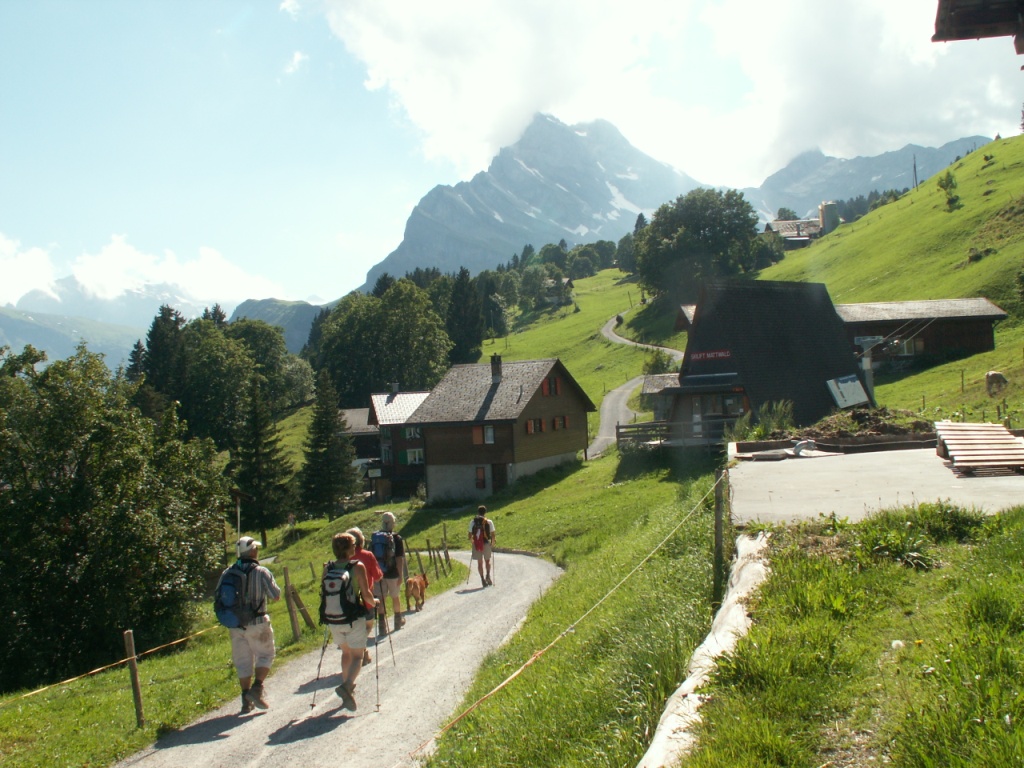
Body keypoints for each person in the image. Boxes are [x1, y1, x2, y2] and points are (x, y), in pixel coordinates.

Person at [217, 536, 281, 714]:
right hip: (257, 622)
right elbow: (275, 595)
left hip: (235, 625)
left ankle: (245, 700)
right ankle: (257, 688)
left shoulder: (227, 572)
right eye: (256, 549)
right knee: (266, 655)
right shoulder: (261, 571)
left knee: (243, 662)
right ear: (252, 551)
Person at [325, 532, 378, 711]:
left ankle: (347, 690)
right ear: (350, 548)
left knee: (345, 653)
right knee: (358, 656)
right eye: (354, 545)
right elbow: (366, 594)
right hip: (353, 617)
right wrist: (375, 602)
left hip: (333, 619)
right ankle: (347, 686)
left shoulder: (328, 567)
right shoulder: (357, 566)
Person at [347, 527, 383, 664]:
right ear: (361, 540)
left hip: (347, 599)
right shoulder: (367, 555)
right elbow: (378, 576)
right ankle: (361, 651)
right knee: (368, 624)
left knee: (354, 626)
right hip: (366, 597)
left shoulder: (343, 558)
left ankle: (362, 651)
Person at [371, 512, 407, 631]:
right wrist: (400, 575)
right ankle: (397, 622)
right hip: (393, 573)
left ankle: (382, 626)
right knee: (395, 597)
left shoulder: (376, 538)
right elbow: (399, 558)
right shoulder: (397, 538)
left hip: (379, 574)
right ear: (393, 523)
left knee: (381, 598)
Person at [468, 506, 496, 587]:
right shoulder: (489, 522)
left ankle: (482, 579)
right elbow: (493, 534)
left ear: (478, 512)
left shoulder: (473, 522)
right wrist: (492, 543)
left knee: (480, 563)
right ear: (485, 512)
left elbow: (469, 535)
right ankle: (488, 575)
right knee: (487, 561)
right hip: (486, 543)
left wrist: (473, 541)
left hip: (477, 544)